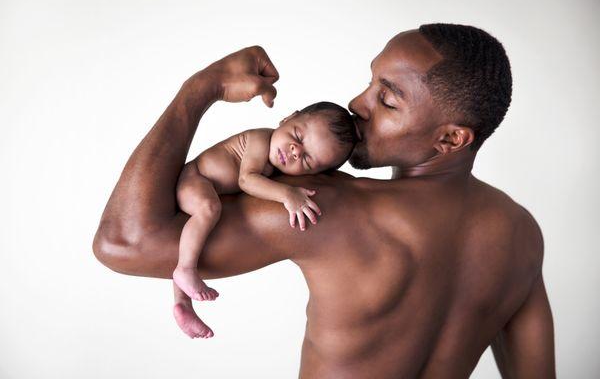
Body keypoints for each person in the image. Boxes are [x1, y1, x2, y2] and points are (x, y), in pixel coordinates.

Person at [93, 23, 556, 378]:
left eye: (387, 101)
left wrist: (201, 89)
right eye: (370, 82)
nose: (357, 103)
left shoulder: (322, 205)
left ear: (451, 138)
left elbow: (122, 244)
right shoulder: (521, 233)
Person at [173, 101, 356, 339]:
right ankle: (185, 269)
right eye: (297, 136)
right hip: (195, 178)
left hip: (206, 187)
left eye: (307, 159)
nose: (295, 151)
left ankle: (182, 304)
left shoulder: (278, 167)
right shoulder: (261, 139)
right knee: (208, 209)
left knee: (191, 239)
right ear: (289, 117)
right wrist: (288, 195)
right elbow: (247, 180)